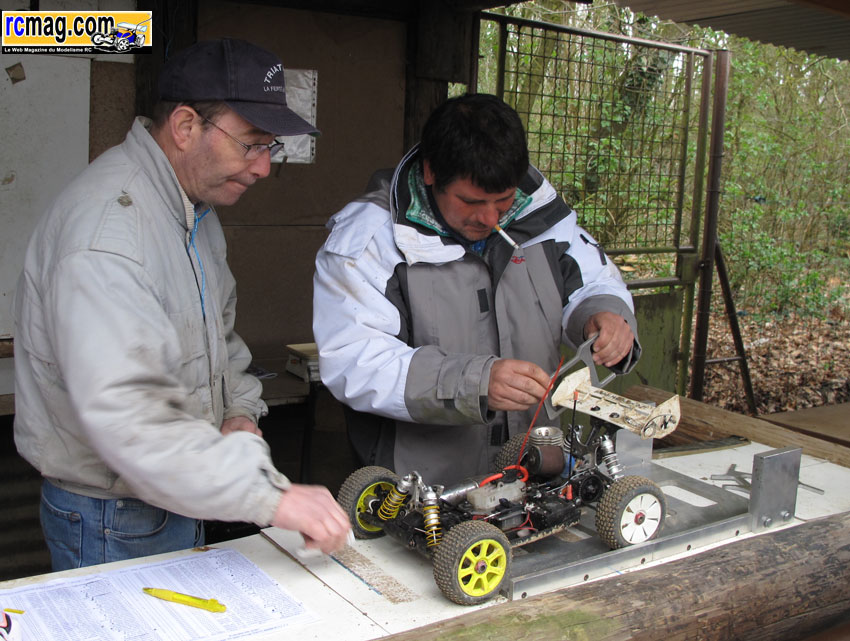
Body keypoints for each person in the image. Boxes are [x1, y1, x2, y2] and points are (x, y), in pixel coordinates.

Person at [13, 38, 350, 571]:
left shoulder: (192, 212)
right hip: (114, 518)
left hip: (177, 494)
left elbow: (219, 337)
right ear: (186, 126)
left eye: (271, 147)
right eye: (252, 145)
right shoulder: (110, 237)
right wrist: (272, 498)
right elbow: (131, 416)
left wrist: (236, 412)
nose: (264, 167)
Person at [313, 93, 641, 485]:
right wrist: (474, 382)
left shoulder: (541, 216)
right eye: (471, 201)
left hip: (534, 469)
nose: (489, 219)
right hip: (423, 485)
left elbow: (593, 281)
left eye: (503, 201)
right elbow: (354, 360)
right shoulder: (369, 239)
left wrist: (604, 314)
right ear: (431, 172)